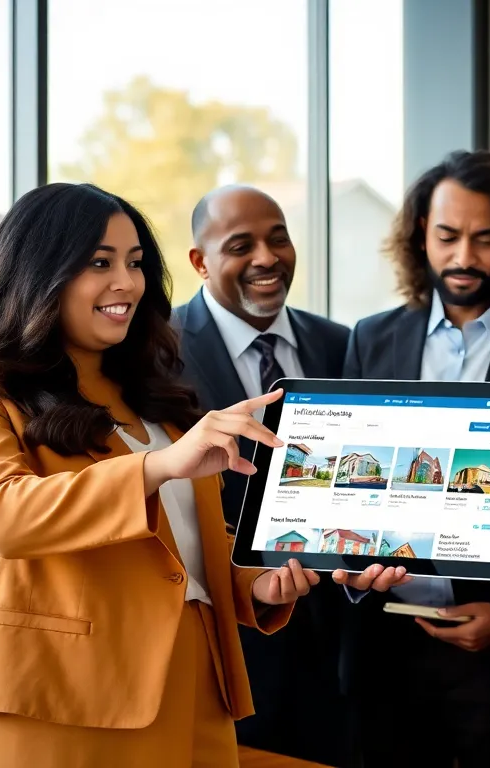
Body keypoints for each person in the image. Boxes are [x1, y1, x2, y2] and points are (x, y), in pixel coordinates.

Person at [0, 182, 321, 767]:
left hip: (195, 683)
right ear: (37, 271)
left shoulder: (148, 386)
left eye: (135, 262)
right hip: (56, 698)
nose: (126, 282)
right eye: (100, 263)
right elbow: (3, 515)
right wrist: (157, 466)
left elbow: (179, 544)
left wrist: (253, 581)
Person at [339, 149, 490, 768]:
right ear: (419, 238)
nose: (464, 257)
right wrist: (350, 575)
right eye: (447, 236)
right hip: (384, 639)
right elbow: (354, 481)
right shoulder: (370, 337)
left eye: (485, 238)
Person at [172, 184, 354, 765]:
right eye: (240, 245)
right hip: (229, 640)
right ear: (200, 262)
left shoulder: (338, 343)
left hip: (340, 641)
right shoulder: (158, 352)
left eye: (279, 239)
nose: (266, 257)